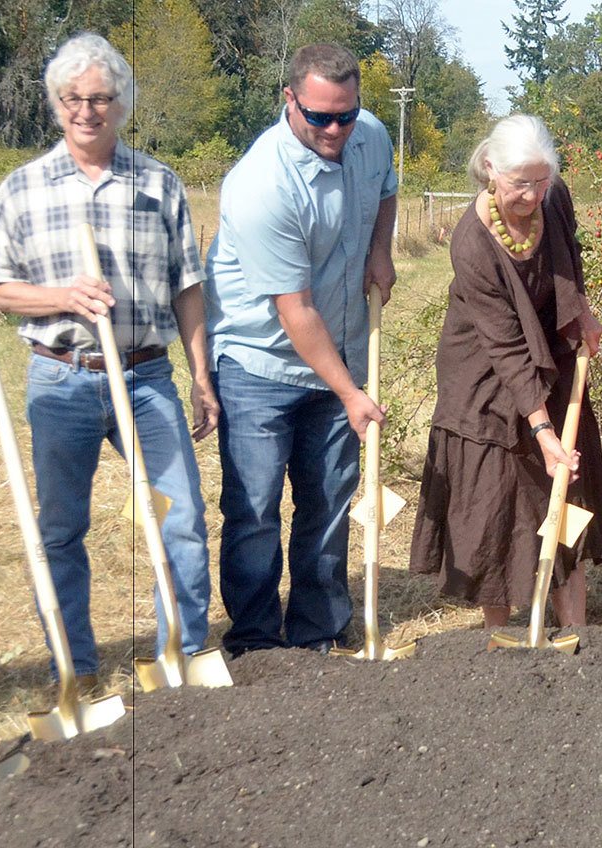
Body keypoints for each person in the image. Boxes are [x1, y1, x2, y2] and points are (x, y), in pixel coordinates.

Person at [0, 33, 216, 685]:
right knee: (60, 530)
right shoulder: (22, 189)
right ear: (57, 103)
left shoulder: (157, 184)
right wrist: (62, 296)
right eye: (74, 98)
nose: (87, 110)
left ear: (121, 104)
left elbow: (187, 286)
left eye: (101, 98)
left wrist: (200, 375)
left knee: (182, 518)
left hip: (145, 378)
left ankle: (185, 654)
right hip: (63, 377)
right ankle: (74, 666)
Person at [204, 43, 397, 655]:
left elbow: (386, 188)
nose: (336, 128)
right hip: (260, 363)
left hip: (339, 346)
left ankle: (317, 633)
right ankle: (257, 642)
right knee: (256, 508)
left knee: (328, 501)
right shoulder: (263, 184)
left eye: (346, 113)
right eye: (320, 117)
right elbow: (296, 311)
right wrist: (351, 393)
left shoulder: (369, 135)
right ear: (290, 101)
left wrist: (381, 248)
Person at [409, 115, 602, 625]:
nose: (532, 195)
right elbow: (504, 347)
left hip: (553, 348)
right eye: (520, 183)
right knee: (495, 500)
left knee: (567, 483)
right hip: (482, 369)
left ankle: (574, 628)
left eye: (541, 181)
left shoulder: (555, 195)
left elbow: (569, 262)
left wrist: (580, 311)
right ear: (489, 169)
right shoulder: (471, 243)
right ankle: (500, 634)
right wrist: (541, 428)